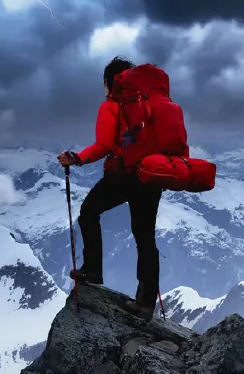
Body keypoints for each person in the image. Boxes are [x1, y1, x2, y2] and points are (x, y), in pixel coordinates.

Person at [57, 56, 164, 321]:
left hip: (122, 175)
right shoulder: (153, 103)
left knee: (89, 211)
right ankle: (146, 303)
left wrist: (77, 158)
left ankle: (93, 270)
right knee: (145, 238)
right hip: (152, 175)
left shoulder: (112, 106)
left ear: (109, 83)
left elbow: (103, 145)